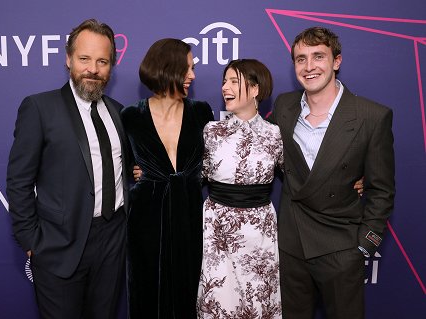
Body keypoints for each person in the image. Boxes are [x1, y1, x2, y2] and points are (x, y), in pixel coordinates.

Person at [267, 26, 395, 318]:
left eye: (318, 56)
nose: (309, 67)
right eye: (301, 59)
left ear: (336, 61)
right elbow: (259, 150)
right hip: (291, 245)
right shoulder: (284, 107)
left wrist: (363, 246)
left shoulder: (372, 116)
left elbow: (382, 191)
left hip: (341, 246)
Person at [6, 19, 131, 319]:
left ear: (111, 66)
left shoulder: (118, 111)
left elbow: (124, 168)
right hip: (59, 246)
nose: (93, 69)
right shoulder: (39, 108)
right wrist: (32, 242)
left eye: (102, 61)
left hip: (112, 241)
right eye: (84, 59)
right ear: (68, 59)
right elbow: (19, 181)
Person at [121, 38, 214, 318]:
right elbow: (120, 168)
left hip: (189, 215)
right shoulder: (131, 117)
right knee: (148, 293)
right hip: (146, 220)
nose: (193, 76)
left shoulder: (201, 112)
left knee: (191, 293)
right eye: (187, 68)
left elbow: (216, 163)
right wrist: (137, 173)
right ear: (167, 68)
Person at [197, 59, 283, 318]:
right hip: (217, 229)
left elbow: (299, 175)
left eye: (234, 81)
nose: (225, 87)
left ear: (255, 89)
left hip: (260, 233)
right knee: (218, 304)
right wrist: (150, 171)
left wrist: (352, 181)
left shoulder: (274, 134)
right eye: (225, 81)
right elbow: (190, 175)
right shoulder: (211, 131)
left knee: (259, 304)